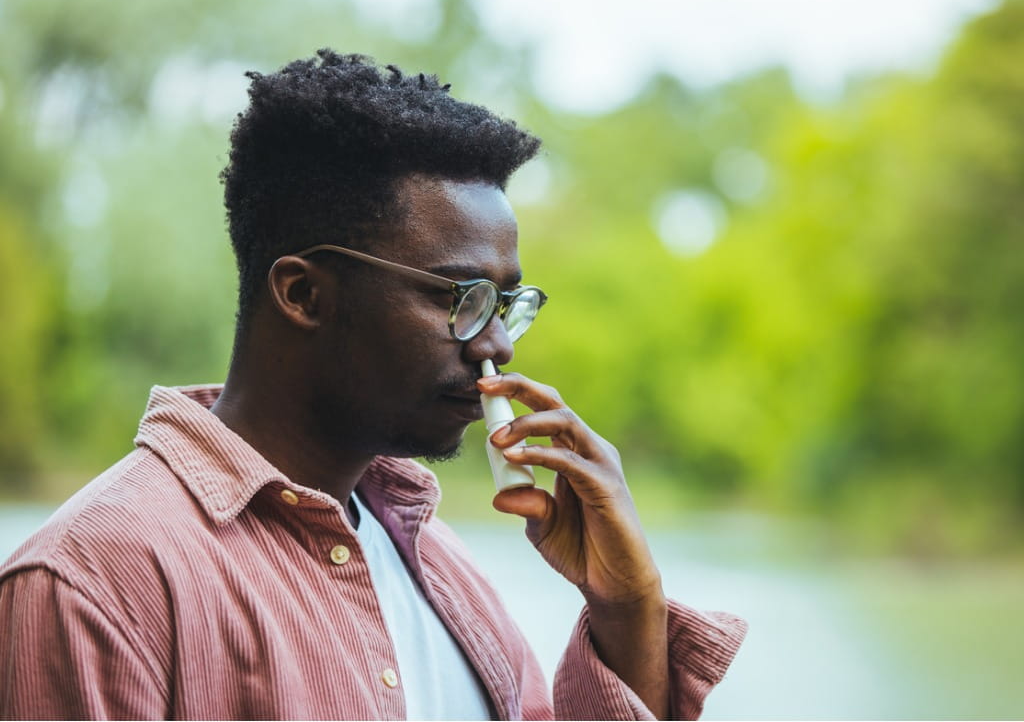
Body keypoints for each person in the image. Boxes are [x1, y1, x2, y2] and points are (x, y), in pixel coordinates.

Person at [0, 50, 745, 720]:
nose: (495, 345)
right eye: (458, 297)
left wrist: (627, 608)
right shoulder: (89, 586)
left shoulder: (438, 566)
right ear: (305, 295)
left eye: (505, 303)